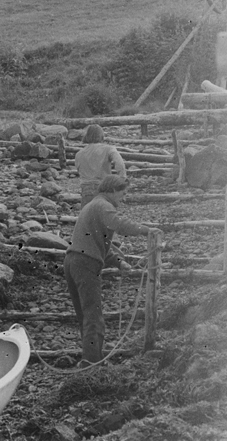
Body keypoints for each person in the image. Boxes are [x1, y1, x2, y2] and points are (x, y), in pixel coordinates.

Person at [64, 175, 159, 366]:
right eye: (122, 194)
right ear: (113, 190)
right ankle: (92, 363)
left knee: (85, 315)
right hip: (85, 264)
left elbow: (98, 245)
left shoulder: (93, 206)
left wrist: (119, 262)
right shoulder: (103, 205)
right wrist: (146, 230)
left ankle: (91, 358)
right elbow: (119, 224)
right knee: (93, 316)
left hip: (72, 261)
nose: (122, 199)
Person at [75, 124, 126, 207]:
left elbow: (79, 170)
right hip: (104, 187)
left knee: (87, 216)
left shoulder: (79, 154)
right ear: (102, 136)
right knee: (106, 215)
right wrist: (122, 180)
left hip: (86, 189)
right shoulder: (108, 149)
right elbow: (120, 164)